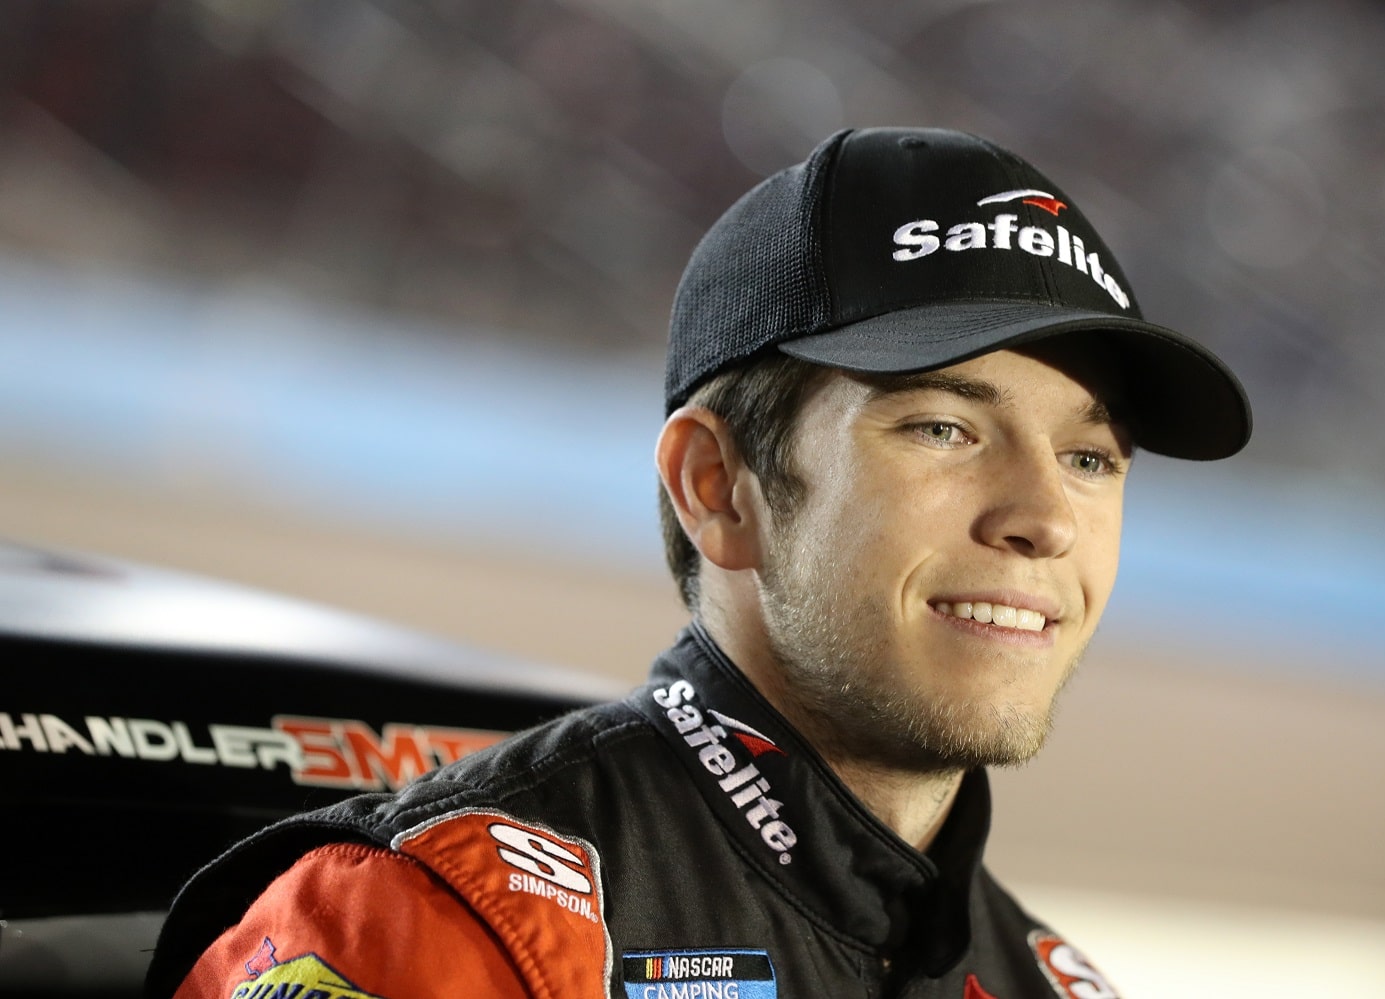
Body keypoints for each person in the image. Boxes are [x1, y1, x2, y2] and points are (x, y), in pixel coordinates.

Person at [145, 127, 1250, 999]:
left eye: (1090, 457)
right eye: (942, 430)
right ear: (718, 489)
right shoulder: (438, 924)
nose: (1046, 518)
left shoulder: (1050, 986)